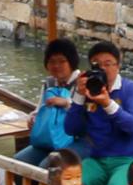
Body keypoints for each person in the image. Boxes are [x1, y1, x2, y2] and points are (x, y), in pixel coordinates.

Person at [63, 41, 133, 185]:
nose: (103, 69)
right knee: (71, 183)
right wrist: (79, 97)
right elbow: (71, 129)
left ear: (117, 66)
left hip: (129, 159)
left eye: (108, 64)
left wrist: (107, 104)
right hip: (98, 159)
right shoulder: (87, 92)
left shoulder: (130, 88)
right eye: (97, 65)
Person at [12, 38, 85, 169]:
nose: (56, 66)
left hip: (74, 140)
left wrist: (66, 103)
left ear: (72, 62)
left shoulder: (82, 83)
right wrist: (32, 118)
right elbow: (39, 109)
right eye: (52, 62)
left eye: (62, 61)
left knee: (46, 166)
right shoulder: (49, 83)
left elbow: (85, 118)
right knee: (18, 162)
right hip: (49, 138)